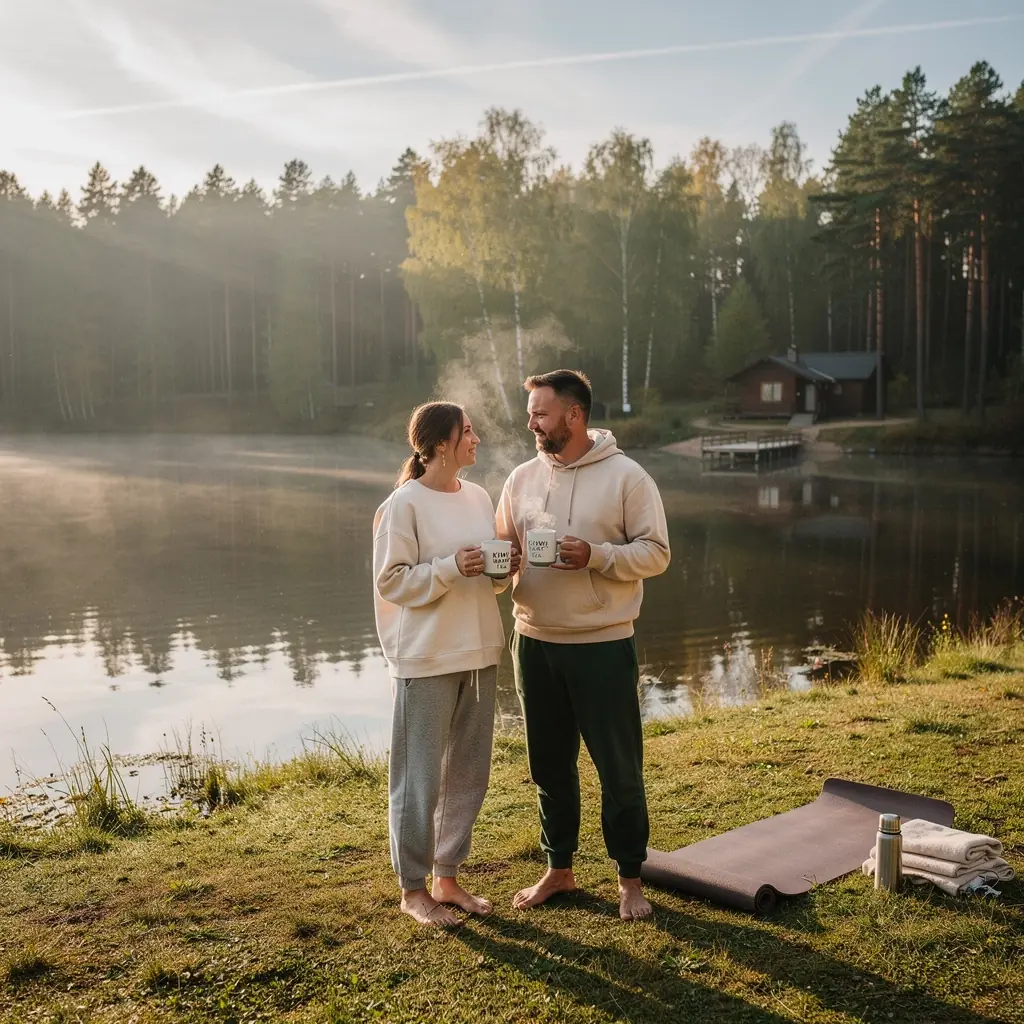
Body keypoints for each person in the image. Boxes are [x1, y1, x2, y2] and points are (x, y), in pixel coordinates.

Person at [496, 370, 670, 921]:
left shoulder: (628, 477)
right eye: (530, 413)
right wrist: (503, 566)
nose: (531, 422)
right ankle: (560, 869)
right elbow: (503, 554)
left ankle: (630, 879)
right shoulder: (520, 478)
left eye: (540, 413)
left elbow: (656, 553)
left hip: (602, 644)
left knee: (619, 768)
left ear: (574, 415)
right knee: (549, 765)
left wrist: (595, 555)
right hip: (534, 642)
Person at [373, 401, 520, 928]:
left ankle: (447, 877)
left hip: (480, 652)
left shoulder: (480, 497)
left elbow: (491, 578)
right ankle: (414, 890)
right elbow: (392, 582)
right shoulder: (403, 505)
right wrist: (451, 567)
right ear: (439, 445)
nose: (476, 439)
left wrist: (505, 569)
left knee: (468, 774)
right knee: (418, 779)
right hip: (426, 658)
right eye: (468, 432)